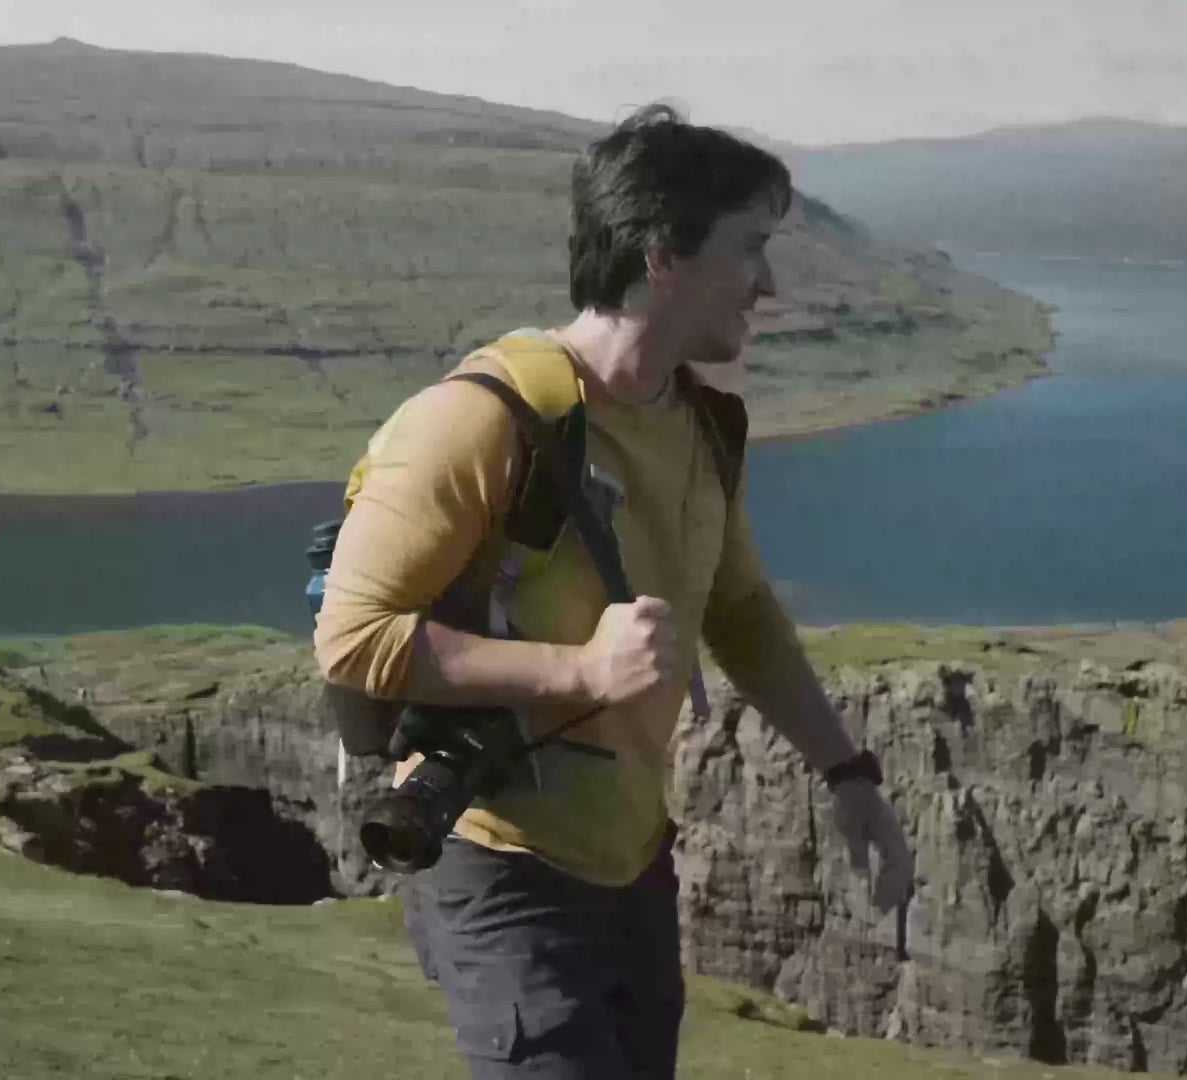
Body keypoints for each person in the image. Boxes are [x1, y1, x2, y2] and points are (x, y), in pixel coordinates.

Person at [312, 102, 914, 1079]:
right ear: (661, 254)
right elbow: (354, 638)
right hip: (501, 865)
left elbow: (741, 613)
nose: (767, 284)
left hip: (635, 873)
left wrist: (849, 776)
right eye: (750, 248)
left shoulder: (699, 424)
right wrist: (583, 671)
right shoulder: (478, 420)